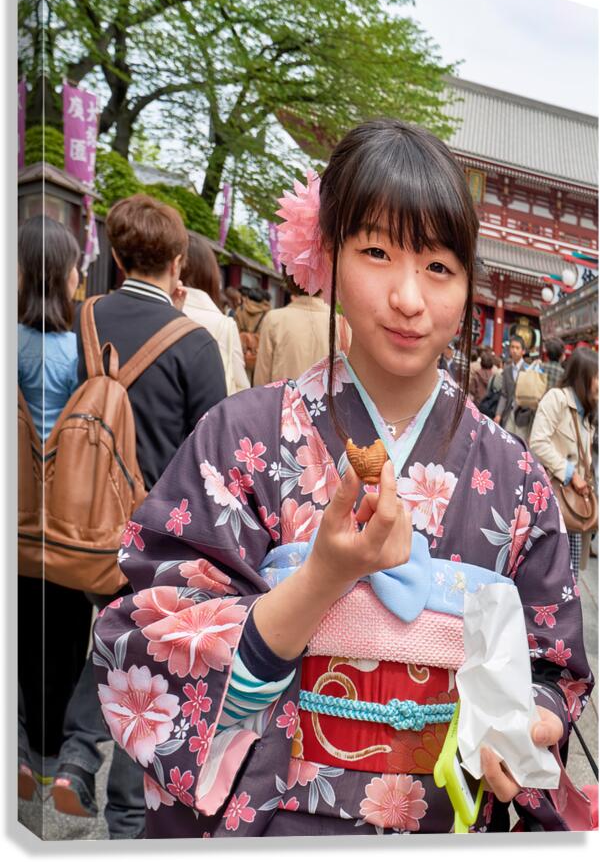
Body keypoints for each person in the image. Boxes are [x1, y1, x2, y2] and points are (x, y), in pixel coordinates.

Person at [92, 119, 591, 837]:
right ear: (328, 253)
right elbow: (146, 635)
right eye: (378, 252)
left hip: (442, 823)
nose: (409, 297)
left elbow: (555, 662)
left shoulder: (514, 478)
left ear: (470, 286)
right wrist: (321, 578)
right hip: (274, 819)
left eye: (439, 267)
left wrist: (528, 720)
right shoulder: (241, 438)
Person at [52, 194, 228, 838]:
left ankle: (73, 756)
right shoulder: (195, 344)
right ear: (178, 262)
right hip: (157, 526)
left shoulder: (82, 317)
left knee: (104, 630)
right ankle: (127, 813)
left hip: (78, 509)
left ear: (118, 254)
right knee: (144, 655)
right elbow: (215, 451)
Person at [17, 216, 93, 800]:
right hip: (66, 518)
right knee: (66, 633)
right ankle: (52, 755)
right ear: (64, 277)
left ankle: (15, 749)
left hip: (13, 509)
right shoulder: (76, 351)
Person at [529, 347, 598, 580]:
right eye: (597, 376)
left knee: (569, 575)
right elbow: (538, 441)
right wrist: (571, 474)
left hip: (574, 504)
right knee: (549, 570)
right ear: (583, 376)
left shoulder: (587, 413)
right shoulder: (557, 398)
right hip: (553, 498)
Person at [180, 233, 249, 395]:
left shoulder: (155, 311)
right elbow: (241, 388)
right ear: (210, 273)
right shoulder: (223, 324)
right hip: (207, 415)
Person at [253, 269, 349, 385]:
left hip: (282, 400)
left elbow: (262, 378)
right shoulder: (342, 324)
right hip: (327, 402)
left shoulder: (274, 319)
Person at [493, 334, 531, 440]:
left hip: (523, 416)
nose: (514, 350)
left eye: (517, 348)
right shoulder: (507, 369)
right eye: (512, 347)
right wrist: (498, 414)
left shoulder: (529, 370)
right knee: (506, 442)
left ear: (523, 351)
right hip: (508, 413)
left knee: (519, 447)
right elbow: (504, 394)